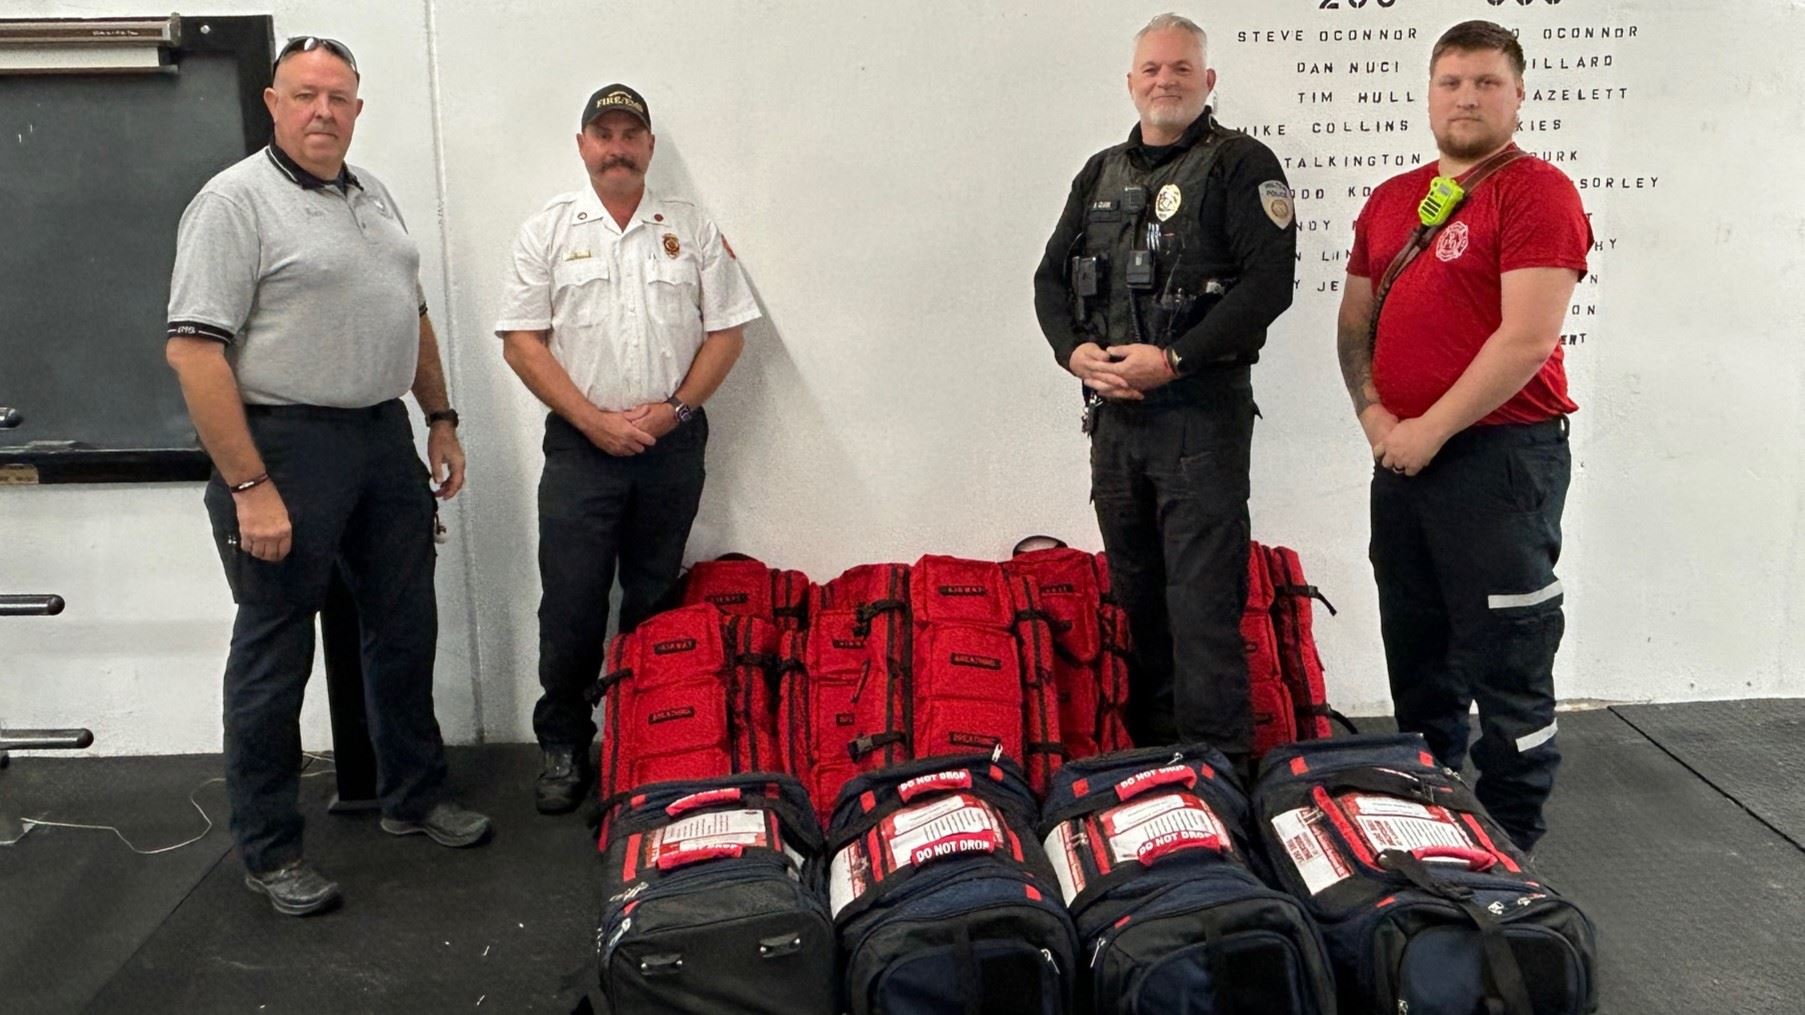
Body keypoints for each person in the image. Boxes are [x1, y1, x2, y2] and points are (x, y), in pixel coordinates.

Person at [165, 36, 491, 917]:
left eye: (340, 98)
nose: (324, 112)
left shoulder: (371, 193)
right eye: (306, 95)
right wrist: (247, 484)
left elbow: (410, 311)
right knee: (275, 650)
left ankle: (412, 796)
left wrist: (442, 418)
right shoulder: (233, 203)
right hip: (284, 447)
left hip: (381, 438)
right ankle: (270, 850)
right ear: (273, 102)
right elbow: (194, 353)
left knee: (404, 624)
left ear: (356, 108)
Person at [1335, 20, 1590, 852]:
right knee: (1417, 648)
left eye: (1485, 82)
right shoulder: (1389, 199)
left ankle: (1511, 845)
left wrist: (1431, 429)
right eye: (1450, 81)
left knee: (1506, 659)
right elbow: (1353, 326)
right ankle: (1427, 813)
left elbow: (1525, 339)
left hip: (1498, 461)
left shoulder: (1533, 191)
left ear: (1517, 95)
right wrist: (1376, 415)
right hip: (1401, 458)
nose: (1466, 96)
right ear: (1428, 92)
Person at [1032, 13, 1297, 772]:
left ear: (1207, 80)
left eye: (1180, 68)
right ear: (1130, 81)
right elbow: (1051, 280)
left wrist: (1175, 358)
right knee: (1138, 597)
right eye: (1151, 69)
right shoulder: (1098, 172)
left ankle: (1222, 774)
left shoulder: (1241, 166)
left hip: (1199, 420)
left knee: (1202, 606)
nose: (1164, 81)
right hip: (1115, 421)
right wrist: (1073, 352)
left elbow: (1266, 285)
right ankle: (1156, 766)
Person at [494, 84, 760, 814]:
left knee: (653, 597)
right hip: (582, 447)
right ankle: (564, 742)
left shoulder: (691, 228)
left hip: (670, 445)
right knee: (574, 600)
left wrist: (673, 412)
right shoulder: (548, 229)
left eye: (629, 134)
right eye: (602, 133)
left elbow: (728, 331)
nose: (616, 146)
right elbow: (521, 341)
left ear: (647, 146)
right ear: (582, 145)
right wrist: (592, 420)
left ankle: (650, 736)